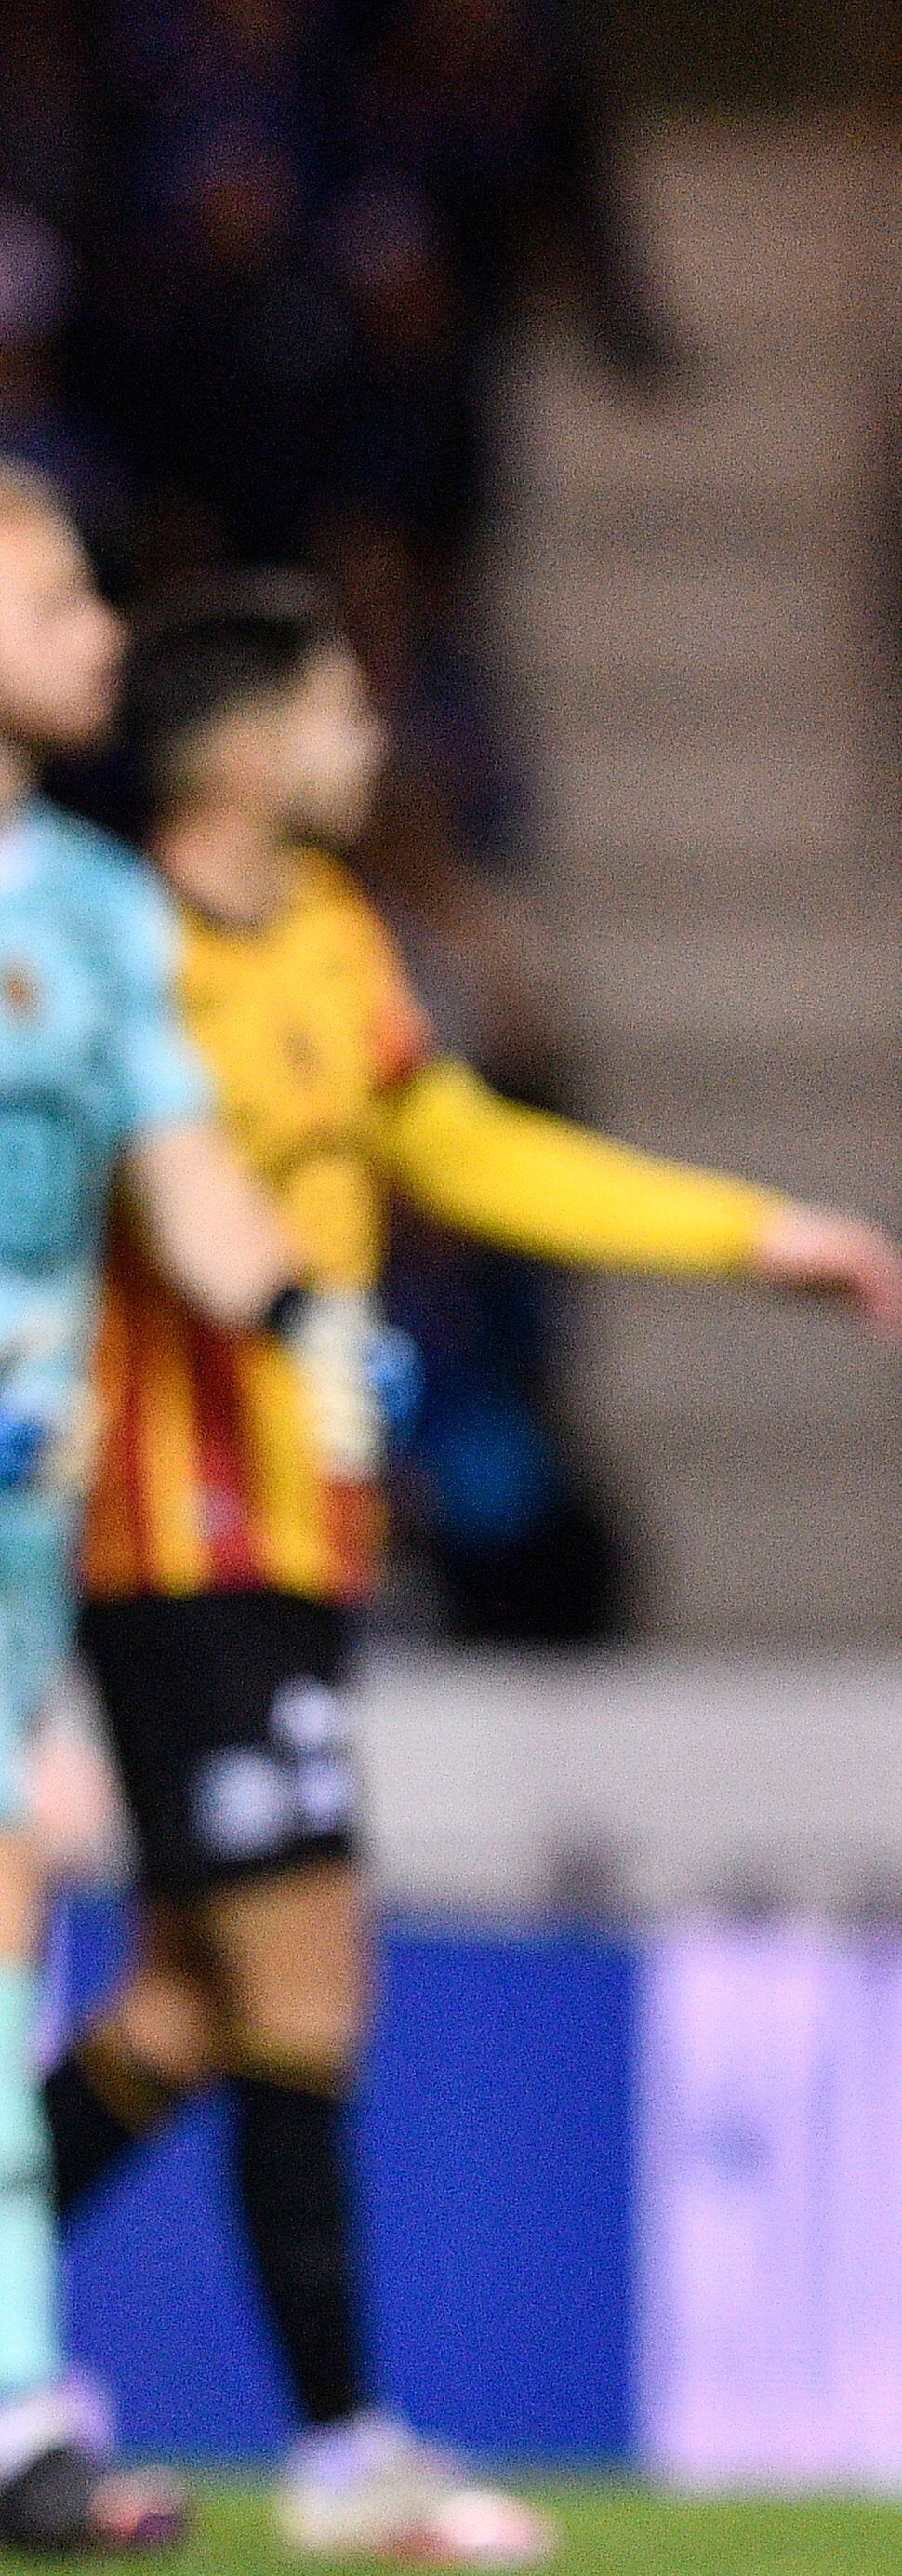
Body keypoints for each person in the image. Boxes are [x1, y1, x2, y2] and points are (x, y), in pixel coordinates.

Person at [38, 583, 902, 2569]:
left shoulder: (336, 939)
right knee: (304, 1984)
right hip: (171, 1542)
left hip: (297, 1545)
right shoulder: (108, 949)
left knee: (194, 2006)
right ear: (247, 747)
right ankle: (351, 2451)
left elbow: (462, 1145)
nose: (375, 733)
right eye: (341, 703)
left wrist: (747, 1232)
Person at [0, 462, 325, 2556]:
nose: (107, 632)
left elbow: (185, 1173)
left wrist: (307, 1307)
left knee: (21, 1922)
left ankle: (20, 2401)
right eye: (59, 595)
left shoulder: (100, 910)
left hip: (30, 1523)